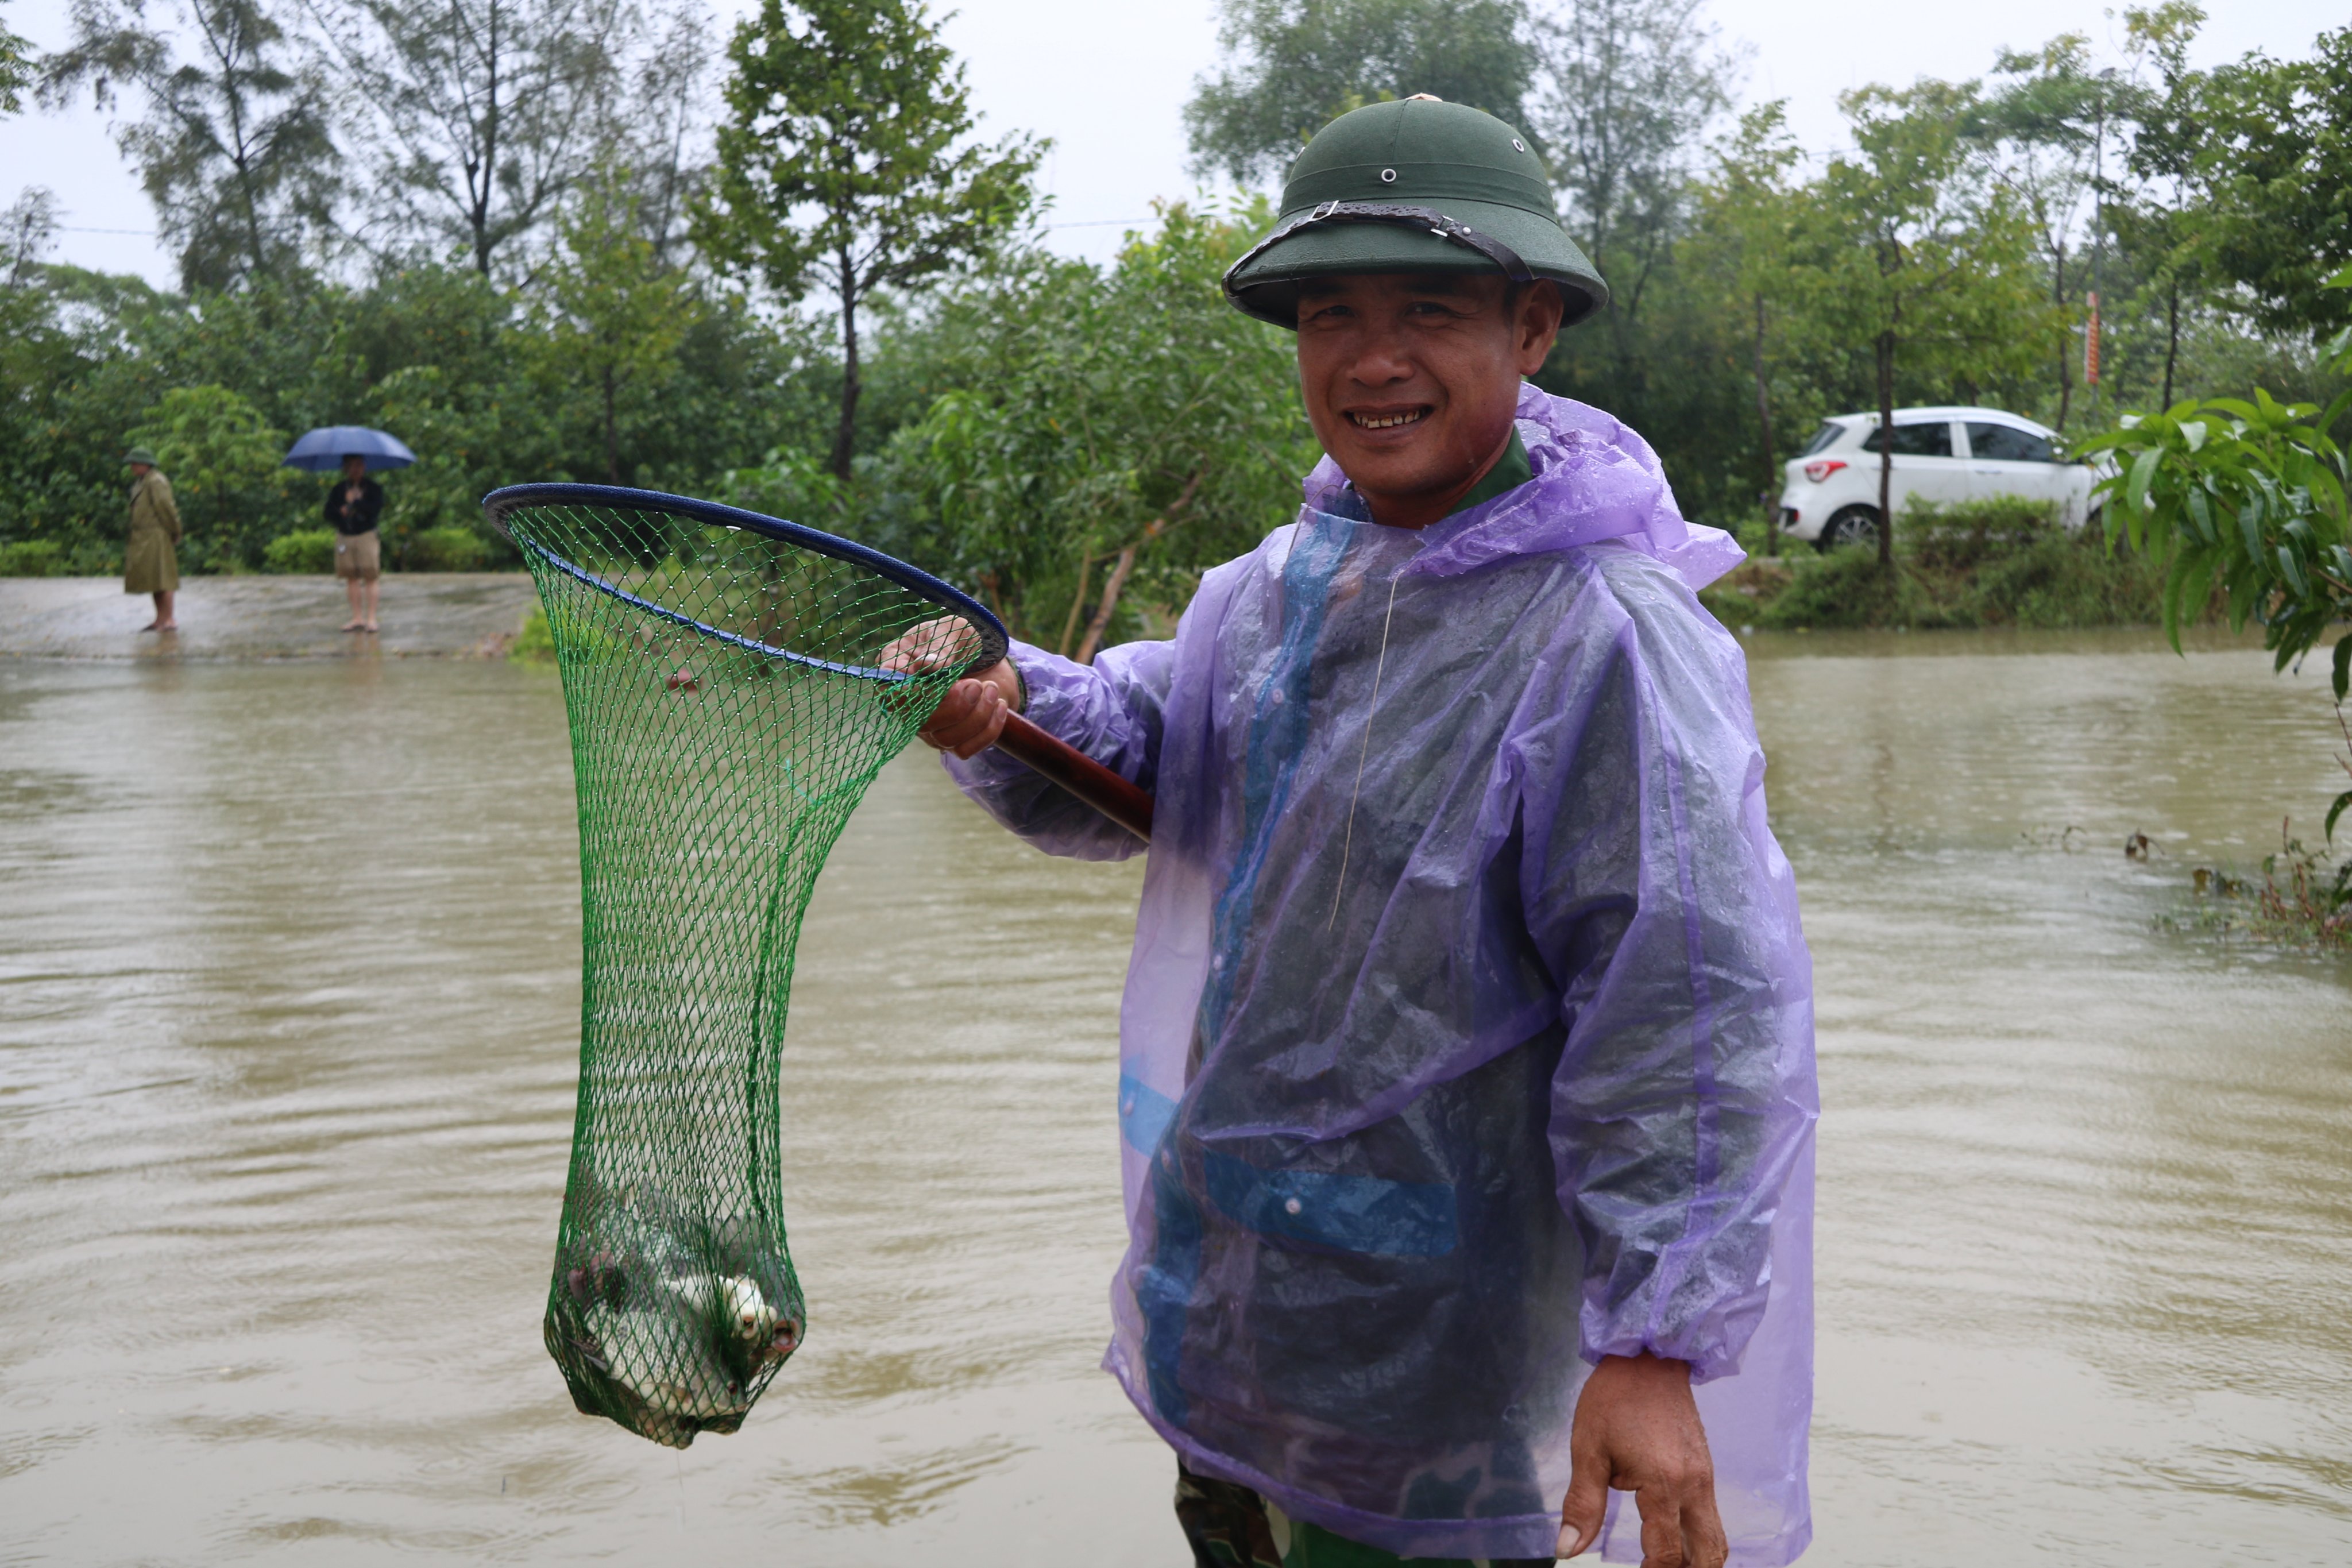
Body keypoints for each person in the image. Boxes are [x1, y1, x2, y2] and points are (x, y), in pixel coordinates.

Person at [895, 98, 1816, 1567]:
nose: (1374, 360)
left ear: (1532, 330)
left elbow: (1687, 1005)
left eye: (1430, 310)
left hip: (1447, 1364)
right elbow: (1153, 748)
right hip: (1238, 1320)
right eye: (1333, 314)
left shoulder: (1609, 637)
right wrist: (1003, 703)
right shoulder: (1279, 592)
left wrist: (1652, 1342)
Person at [323, 453, 385, 632]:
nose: (356, 469)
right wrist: (341, 510)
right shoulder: (338, 489)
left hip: (366, 535)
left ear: (364, 467)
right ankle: (357, 618)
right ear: (345, 468)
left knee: (371, 576)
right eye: (351, 466)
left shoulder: (373, 488)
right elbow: (328, 513)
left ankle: (371, 619)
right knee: (351, 577)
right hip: (345, 535)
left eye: (359, 465)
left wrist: (357, 502)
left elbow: (376, 509)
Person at [122, 446, 181, 632]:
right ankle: (159, 620)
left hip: (157, 535)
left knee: (165, 578)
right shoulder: (142, 482)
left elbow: (166, 508)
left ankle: (169, 619)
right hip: (143, 537)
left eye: (135, 463)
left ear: (144, 465)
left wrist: (175, 530)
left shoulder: (156, 481)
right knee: (153, 579)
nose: (131, 467)